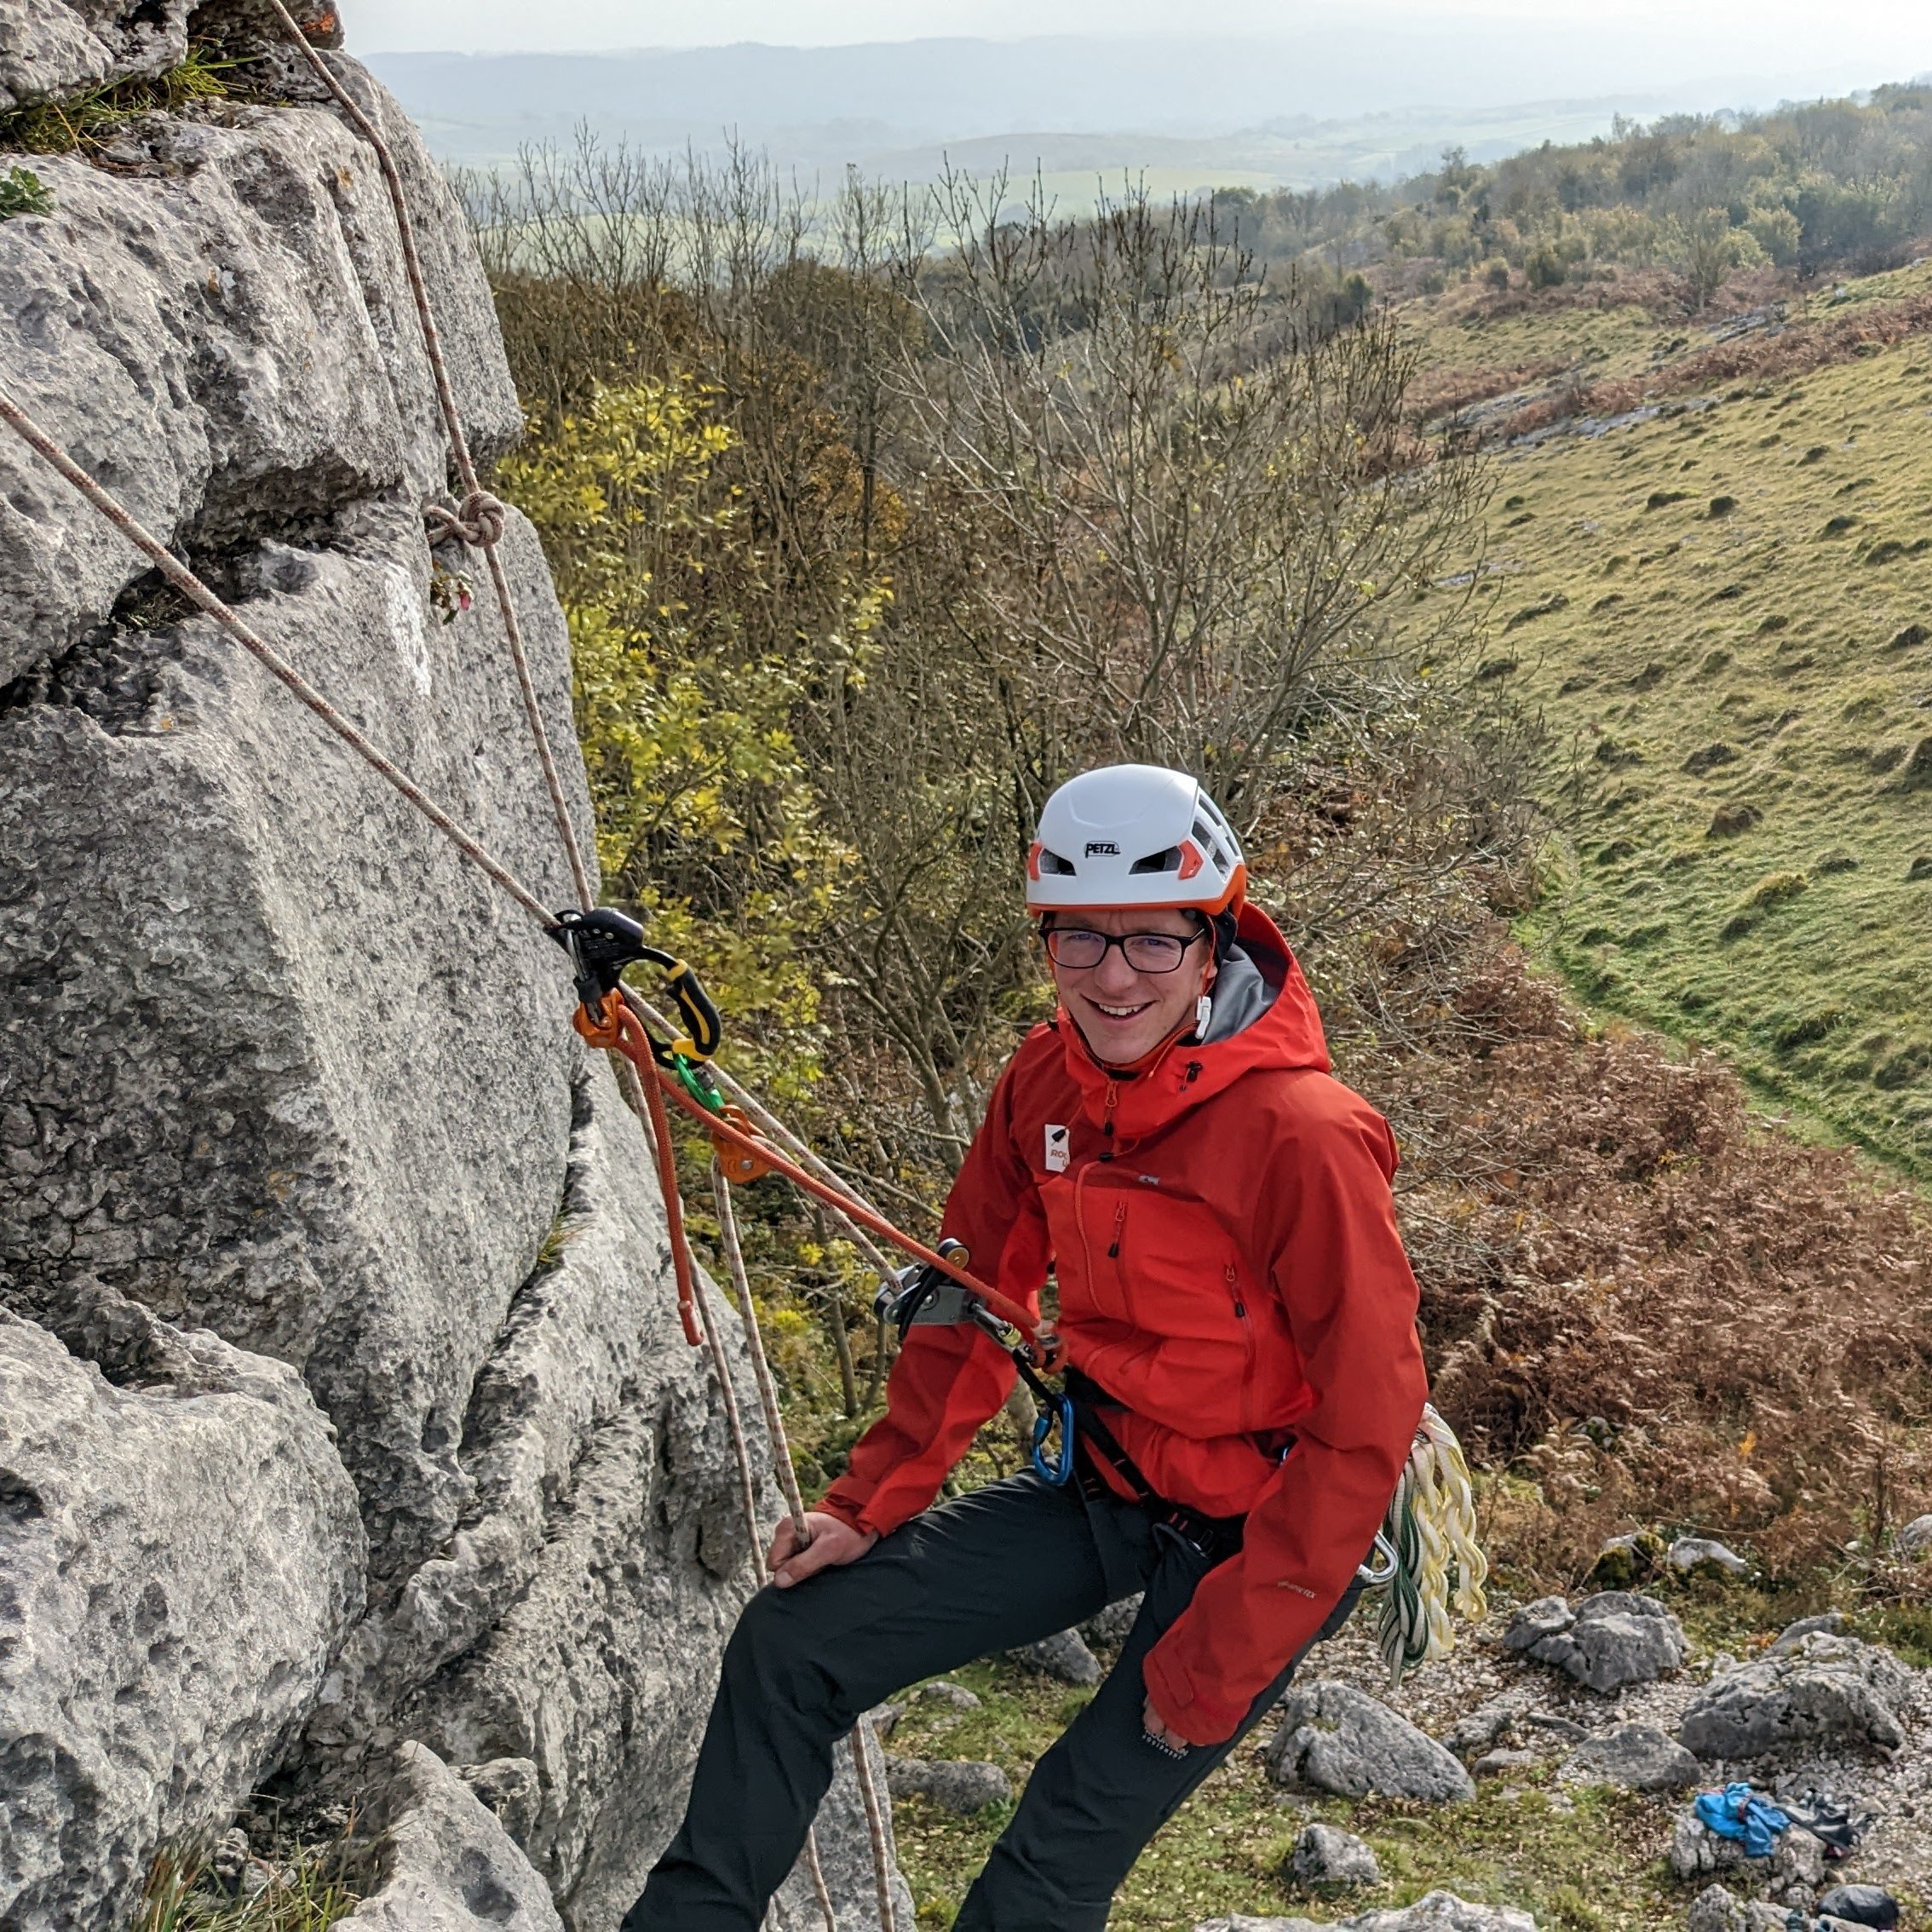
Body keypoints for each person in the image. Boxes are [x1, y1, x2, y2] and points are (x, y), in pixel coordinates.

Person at [624, 763, 1429, 1932]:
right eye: (1078, 940)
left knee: (1041, 1870)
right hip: (1110, 1477)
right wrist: (870, 1501)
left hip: (1263, 1529)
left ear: (1214, 944)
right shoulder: (1042, 1083)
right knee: (791, 1645)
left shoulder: (1302, 1138)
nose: (1113, 979)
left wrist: (1215, 1665)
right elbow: (968, 1299)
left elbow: (1366, 1420)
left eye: (1152, 941)